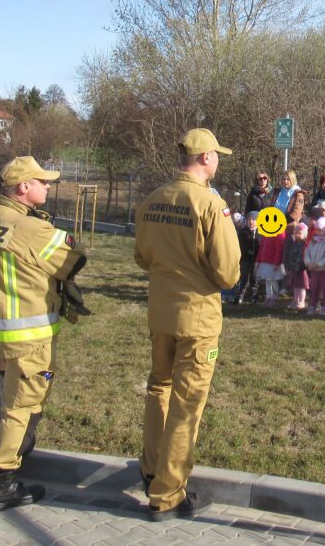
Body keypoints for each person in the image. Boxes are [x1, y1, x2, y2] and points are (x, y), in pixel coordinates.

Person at [0, 156, 88, 512]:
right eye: (43, 182)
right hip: (30, 334)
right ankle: (2, 480)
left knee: (17, 395)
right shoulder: (29, 228)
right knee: (22, 404)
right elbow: (74, 259)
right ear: (23, 187)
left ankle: (18, 448)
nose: (48, 187)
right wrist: (62, 237)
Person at [135, 128, 240, 520]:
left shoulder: (151, 200)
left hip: (160, 312)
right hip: (197, 318)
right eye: (217, 155)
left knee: (158, 388)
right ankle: (168, 493)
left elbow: (142, 256)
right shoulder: (211, 205)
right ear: (206, 159)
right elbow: (228, 272)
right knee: (186, 404)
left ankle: (150, 467)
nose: (218, 161)